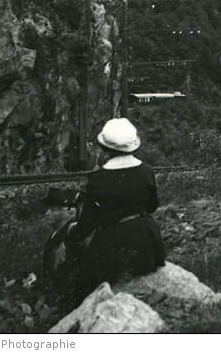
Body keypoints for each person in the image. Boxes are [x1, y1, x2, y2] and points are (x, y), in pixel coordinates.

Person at [70, 117, 166, 293]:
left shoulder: (98, 179)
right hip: (147, 242)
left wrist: (73, 235)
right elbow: (152, 206)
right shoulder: (147, 171)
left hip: (113, 243)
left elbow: (87, 224)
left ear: (104, 148)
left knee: (82, 281)